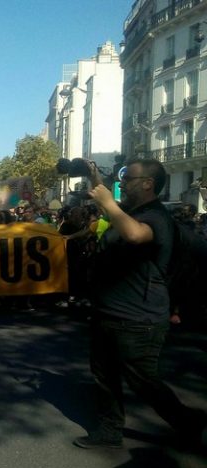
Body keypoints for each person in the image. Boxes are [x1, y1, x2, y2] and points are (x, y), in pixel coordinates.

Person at [74, 157, 207, 449]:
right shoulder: (132, 211)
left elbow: (134, 235)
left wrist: (109, 202)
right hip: (108, 310)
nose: (121, 184)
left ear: (147, 184)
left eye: (128, 180)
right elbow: (111, 207)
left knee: (143, 381)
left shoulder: (156, 216)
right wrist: (94, 176)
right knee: (104, 375)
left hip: (138, 319)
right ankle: (110, 430)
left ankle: (190, 422)